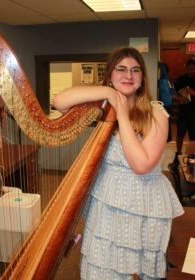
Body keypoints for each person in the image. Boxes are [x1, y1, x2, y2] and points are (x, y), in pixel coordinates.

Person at [53, 47, 184, 280]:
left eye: (135, 70)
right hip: (107, 200)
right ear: (110, 75)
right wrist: (108, 92)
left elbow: (141, 165)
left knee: (138, 269)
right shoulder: (103, 107)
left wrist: (123, 115)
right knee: (101, 265)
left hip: (142, 202)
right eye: (120, 69)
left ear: (143, 78)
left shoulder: (156, 113)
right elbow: (59, 101)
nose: (128, 75)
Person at [171, 58, 195, 165]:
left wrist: (193, 92)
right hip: (183, 113)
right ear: (186, 68)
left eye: (193, 68)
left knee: (193, 138)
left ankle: (192, 157)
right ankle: (178, 153)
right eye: (189, 68)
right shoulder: (181, 79)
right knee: (179, 135)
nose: (192, 70)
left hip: (194, 115)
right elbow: (174, 94)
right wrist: (181, 99)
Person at [157, 62, 176, 142]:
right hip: (167, 105)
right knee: (166, 124)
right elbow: (173, 93)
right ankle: (166, 139)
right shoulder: (169, 80)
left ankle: (164, 139)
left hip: (162, 105)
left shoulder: (162, 80)